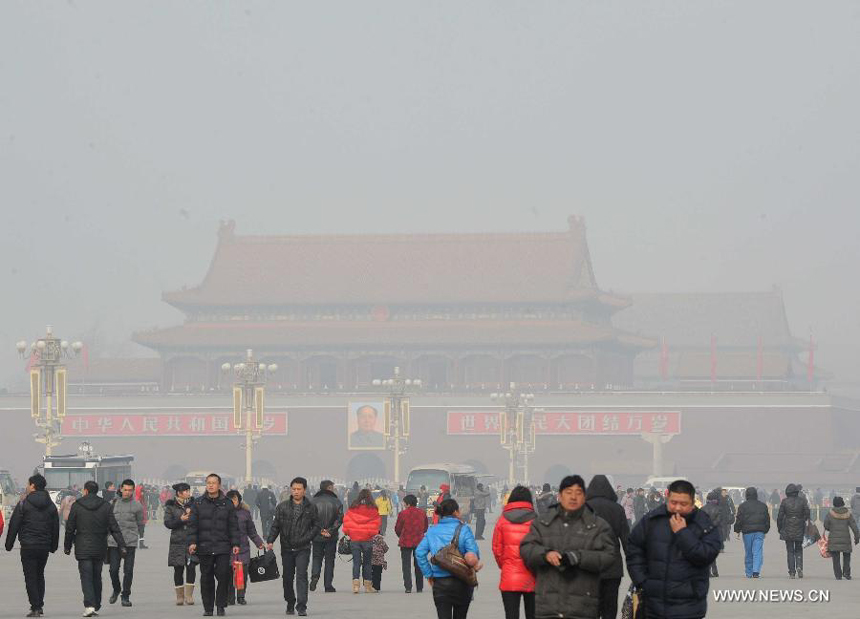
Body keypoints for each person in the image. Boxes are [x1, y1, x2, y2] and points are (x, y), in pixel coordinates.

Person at [520, 475, 617, 619]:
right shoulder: (543, 523)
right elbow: (526, 548)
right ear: (559, 496)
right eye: (568, 492)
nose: (573, 497)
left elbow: (609, 555)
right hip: (549, 605)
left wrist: (579, 557)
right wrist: (545, 554)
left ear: (585, 496)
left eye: (578, 493)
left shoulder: (597, 526)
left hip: (583, 606)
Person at [626, 479, 721, 619]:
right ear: (667, 498)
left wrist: (682, 533)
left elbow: (706, 555)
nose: (677, 508)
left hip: (689, 604)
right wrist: (642, 580)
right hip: (653, 603)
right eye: (673, 502)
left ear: (692, 502)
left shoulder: (703, 522)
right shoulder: (652, 519)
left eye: (683, 504)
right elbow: (634, 547)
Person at [64, 481, 126, 617]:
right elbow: (114, 528)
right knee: (96, 575)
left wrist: (67, 546)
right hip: (100, 547)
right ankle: (96, 603)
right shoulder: (105, 506)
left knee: (86, 576)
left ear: (85, 491)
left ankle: (89, 605)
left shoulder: (77, 505)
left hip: (82, 546)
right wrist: (122, 545)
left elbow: (70, 528)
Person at [5, 473, 60, 618]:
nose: (27, 487)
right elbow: (56, 527)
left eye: (28, 484)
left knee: (30, 576)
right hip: (44, 547)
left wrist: (9, 544)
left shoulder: (23, 503)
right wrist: (54, 545)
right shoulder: (51, 506)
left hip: (28, 546)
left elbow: (14, 524)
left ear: (33, 486)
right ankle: (39, 605)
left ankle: (35, 607)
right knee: (39, 574)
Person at [416, 498, 482, 619]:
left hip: (440, 583)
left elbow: (419, 553)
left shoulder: (432, 531)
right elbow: (474, 553)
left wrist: (429, 574)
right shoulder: (464, 529)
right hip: (462, 582)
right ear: (456, 512)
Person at [187, 473, 240, 617]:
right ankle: (208, 607)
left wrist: (235, 543)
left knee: (223, 576)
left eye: (213, 483)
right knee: (206, 578)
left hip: (223, 546)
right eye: (208, 482)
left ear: (219, 485)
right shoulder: (197, 503)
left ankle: (220, 605)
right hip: (204, 547)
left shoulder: (227, 503)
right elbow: (192, 526)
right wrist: (192, 542)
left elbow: (233, 525)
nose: (210, 485)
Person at [266, 477, 320, 616]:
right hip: (287, 547)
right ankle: (290, 602)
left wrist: (307, 538)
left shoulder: (311, 507)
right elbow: (276, 525)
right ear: (291, 490)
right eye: (294, 489)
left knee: (302, 576)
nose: (296, 492)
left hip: (303, 547)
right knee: (287, 577)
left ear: (304, 490)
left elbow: (316, 526)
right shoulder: (282, 507)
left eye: (299, 489)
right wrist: (270, 540)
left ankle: (301, 606)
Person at [586, 475, 630, 619]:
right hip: (612, 567)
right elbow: (626, 539)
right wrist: (635, 565)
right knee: (610, 608)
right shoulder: (617, 509)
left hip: (588, 567)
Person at [492, 485, 536, 619]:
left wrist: (505, 565)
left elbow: (497, 549)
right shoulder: (537, 520)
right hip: (533, 577)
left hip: (509, 576)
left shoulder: (502, 520)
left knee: (511, 615)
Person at [107, 479, 145, 607]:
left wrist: (140, 538)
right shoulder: (112, 503)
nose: (127, 492)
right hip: (113, 542)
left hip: (130, 542)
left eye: (130, 490)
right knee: (113, 570)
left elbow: (140, 524)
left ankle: (125, 596)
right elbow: (107, 522)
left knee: (128, 570)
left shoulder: (137, 505)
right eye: (125, 490)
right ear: (121, 489)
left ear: (133, 491)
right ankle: (116, 589)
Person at [225, 490, 264, 605]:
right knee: (229, 574)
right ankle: (230, 597)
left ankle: (241, 596)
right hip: (228, 548)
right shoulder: (223, 513)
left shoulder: (245, 513)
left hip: (243, 548)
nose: (232, 502)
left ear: (239, 500)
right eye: (230, 500)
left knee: (243, 573)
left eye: (235, 499)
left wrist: (259, 543)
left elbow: (251, 531)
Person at [163, 482, 197, 606]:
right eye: (185, 491)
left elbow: (199, 520)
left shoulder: (194, 504)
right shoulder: (171, 506)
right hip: (177, 542)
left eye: (189, 490)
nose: (188, 493)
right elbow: (167, 523)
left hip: (191, 540)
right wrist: (180, 520)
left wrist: (191, 516)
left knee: (191, 567)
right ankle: (179, 596)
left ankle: (189, 596)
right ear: (179, 493)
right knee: (178, 569)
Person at [342, 488, 381, 594]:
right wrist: (371, 533)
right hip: (367, 540)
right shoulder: (373, 509)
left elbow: (346, 522)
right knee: (367, 563)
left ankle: (356, 586)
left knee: (356, 563)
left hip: (355, 539)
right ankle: (368, 586)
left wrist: (348, 532)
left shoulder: (353, 508)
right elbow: (376, 525)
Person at [310, 480, 343, 593]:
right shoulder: (336, 501)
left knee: (316, 558)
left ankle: (315, 576)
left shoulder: (313, 501)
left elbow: (310, 519)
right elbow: (339, 519)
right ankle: (328, 585)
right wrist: (330, 530)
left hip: (316, 536)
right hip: (331, 537)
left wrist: (319, 531)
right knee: (329, 560)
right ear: (329, 488)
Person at [733, 487, 770, 578]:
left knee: (749, 552)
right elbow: (767, 520)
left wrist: (737, 530)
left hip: (747, 532)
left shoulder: (742, 506)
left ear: (746, 495)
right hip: (759, 531)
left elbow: (739, 520)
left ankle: (749, 572)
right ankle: (756, 571)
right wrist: (765, 530)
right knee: (758, 551)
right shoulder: (763, 506)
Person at [395, 494, 428, 593]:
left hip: (406, 542)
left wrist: (401, 535)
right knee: (418, 565)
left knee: (406, 565)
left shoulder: (403, 514)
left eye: (404, 503)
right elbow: (425, 527)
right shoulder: (422, 513)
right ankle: (419, 587)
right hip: (419, 542)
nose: (403, 504)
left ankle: (408, 587)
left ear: (408, 504)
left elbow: (398, 528)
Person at [777, 483, 810, 579]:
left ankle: (792, 571)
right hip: (799, 526)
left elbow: (780, 517)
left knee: (790, 550)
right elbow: (807, 513)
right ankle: (799, 566)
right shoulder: (802, 501)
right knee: (799, 549)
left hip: (788, 526)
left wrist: (780, 528)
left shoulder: (784, 501)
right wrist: (802, 519)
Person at [823, 496, 859, 580]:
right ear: (843, 503)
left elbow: (826, 525)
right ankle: (846, 573)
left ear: (834, 503)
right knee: (847, 556)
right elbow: (854, 527)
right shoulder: (848, 514)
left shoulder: (830, 514)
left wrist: (830, 528)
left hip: (834, 539)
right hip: (845, 539)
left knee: (835, 558)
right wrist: (857, 538)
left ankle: (838, 575)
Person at [700, 490, 723, 577]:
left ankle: (709, 571)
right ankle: (714, 570)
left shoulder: (702, 509)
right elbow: (719, 520)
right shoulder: (718, 509)